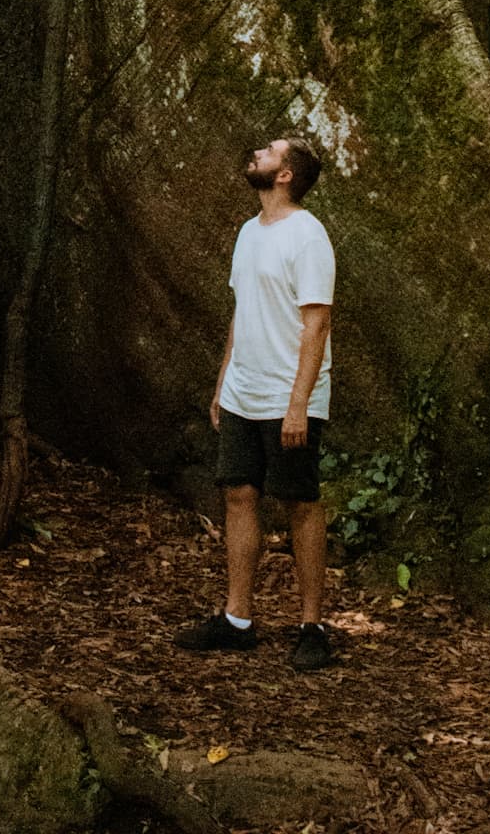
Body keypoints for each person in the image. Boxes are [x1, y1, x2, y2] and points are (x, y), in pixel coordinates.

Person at [174, 135, 337, 673]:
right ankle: (237, 619)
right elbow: (241, 313)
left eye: (269, 151)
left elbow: (316, 324)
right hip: (245, 392)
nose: (256, 154)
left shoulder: (308, 236)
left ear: (287, 173)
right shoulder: (248, 232)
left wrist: (298, 405)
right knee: (240, 495)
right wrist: (224, 382)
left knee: (300, 503)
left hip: (289, 397)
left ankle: (312, 626)